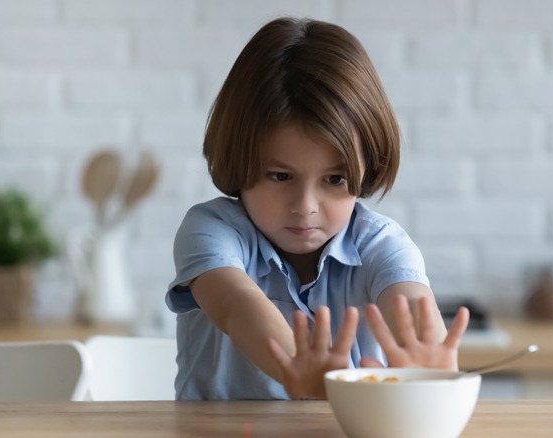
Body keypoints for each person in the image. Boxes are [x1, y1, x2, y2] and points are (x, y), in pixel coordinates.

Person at [165, 16, 469, 401]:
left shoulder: (380, 244)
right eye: (280, 177)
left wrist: (430, 360)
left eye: (335, 179)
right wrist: (301, 370)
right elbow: (234, 304)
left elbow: (407, 301)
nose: (305, 207)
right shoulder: (210, 229)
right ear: (239, 160)